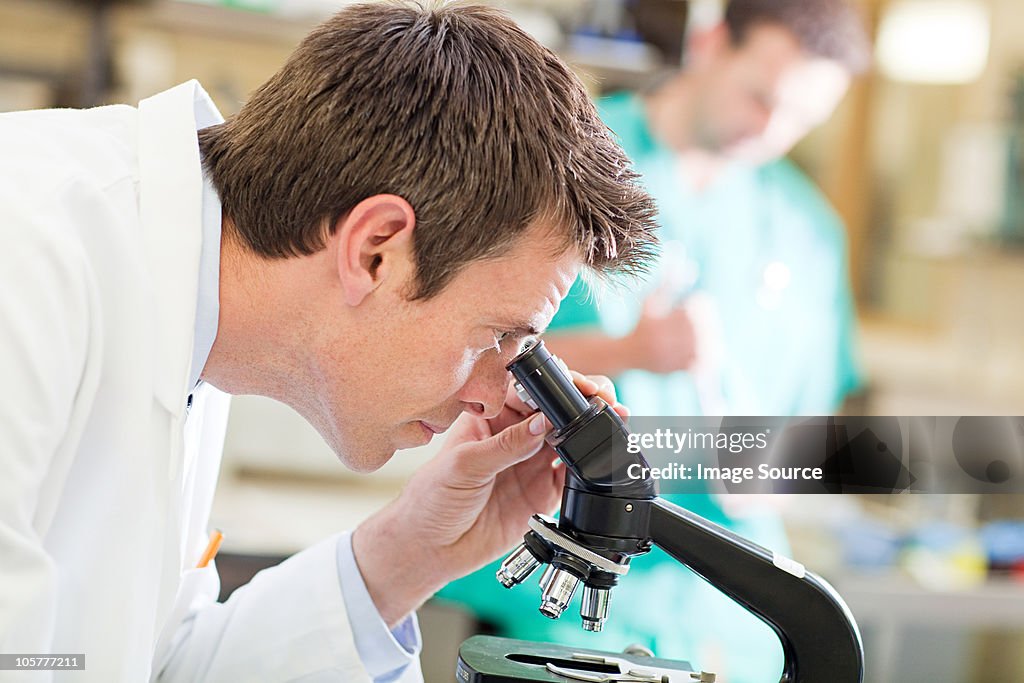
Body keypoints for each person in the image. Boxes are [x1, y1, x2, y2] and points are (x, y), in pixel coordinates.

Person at [0, 3, 659, 682]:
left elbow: (150, 666)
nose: (494, 402)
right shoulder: (23, 257)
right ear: (375, 251)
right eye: (498, 336)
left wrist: (411, 553)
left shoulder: (195, 311)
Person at [437, 1, 870, 681]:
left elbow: (813, 439)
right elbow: (450, 351)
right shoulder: (561, 158)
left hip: (734, 611)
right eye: (760, 96)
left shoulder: (809, 232)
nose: (771, 128)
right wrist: (631, 352)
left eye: (802, 119)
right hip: (557, 588)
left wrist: (771, 474)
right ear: (710, 40)